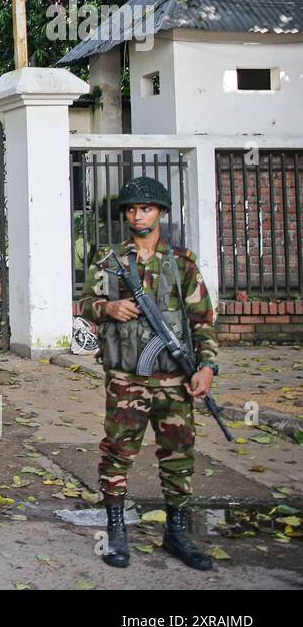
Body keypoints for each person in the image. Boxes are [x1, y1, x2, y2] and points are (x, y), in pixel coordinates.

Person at [77, 176, 218, 571]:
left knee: (178, 455)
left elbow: (203, 321)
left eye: (146, 208)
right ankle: (116, 531)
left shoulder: (182, 264)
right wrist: (108, 309)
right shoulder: (110, 260)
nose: (138, 216)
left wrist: (206, 367)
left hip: (174, 378)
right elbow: (86, 302)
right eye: (132, 209)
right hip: (127, 377)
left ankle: (176, 532)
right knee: (119, 452)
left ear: (161, 212)